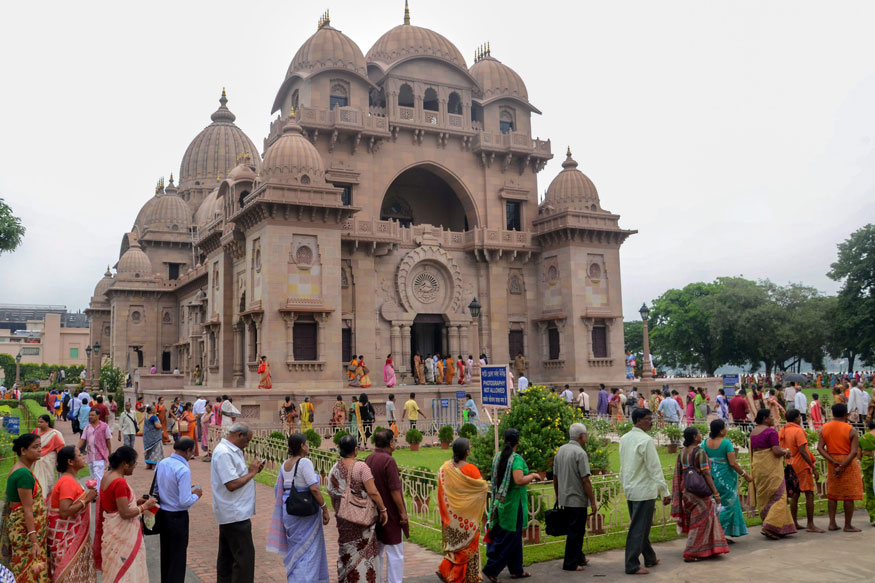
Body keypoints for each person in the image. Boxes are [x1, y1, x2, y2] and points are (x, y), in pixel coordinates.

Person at [267, 433, 330, 583]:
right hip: (304, 512)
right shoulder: (304, 462)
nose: (308, 446)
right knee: (308, 551)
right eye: (306, 443)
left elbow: (279, 489)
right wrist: (325, 508)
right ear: (302, 446)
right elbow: (314, 488)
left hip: (289, 509)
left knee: (295, 549)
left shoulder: (285, 464)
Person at [327, 435, 388, 583]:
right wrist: (383, 509)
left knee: (346, 553)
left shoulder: (334, 469)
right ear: (355, 450)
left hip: (344, 521)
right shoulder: (361, 467)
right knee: (364, 556)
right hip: (363, 524)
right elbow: (373, 491)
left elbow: (332, 493)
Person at [482, 429, 539, 582]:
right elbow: (519, 480)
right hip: (514, 506)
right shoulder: (516, 459)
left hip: (501, 503)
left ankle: (516, 569)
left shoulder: (498, 457)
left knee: (511, 537)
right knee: (510, 539)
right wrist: (533, 476)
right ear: (517, 442)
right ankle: (491, 569)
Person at [619, 408, 671, 575]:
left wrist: (625, 484)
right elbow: (654, 468)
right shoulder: (645, 440)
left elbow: (623, 466)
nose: (651, 422)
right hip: (643, 490)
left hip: (632, 489)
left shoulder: (624, 438)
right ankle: (631, 564)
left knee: (641, 527)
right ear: (639, 421)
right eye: (648, 419)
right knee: (639, 528)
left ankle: (650, 557)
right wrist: (665, 491)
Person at [211, 423, 264, 583]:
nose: (247, 444)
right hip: (234, 513)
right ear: (239, 435)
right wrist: (252, 473)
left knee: (228, 557)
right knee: (244, 559)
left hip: (233, 512)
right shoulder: (224, 453)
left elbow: (236, 477)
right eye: (247, 440)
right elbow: (232, 484)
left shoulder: (231, 451)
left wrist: (251, 472)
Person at [94, 446, 156, 581]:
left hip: (111, 527)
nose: (134, 467)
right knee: (126, 569)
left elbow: (115, 504)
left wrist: (137, 502)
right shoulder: (119, 482)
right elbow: (124, 513)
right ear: (124, 464)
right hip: (121, 534)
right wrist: (145, 506)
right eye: (133, 464)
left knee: (114, 570)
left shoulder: (107, 475)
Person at [670, 426, 729, 562]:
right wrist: (715, 492)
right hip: (698, 491)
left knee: (705, 519)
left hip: (686, 489)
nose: (700, 435)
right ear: (694, 437)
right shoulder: (700, 452)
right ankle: (692, 551)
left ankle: (709, 548)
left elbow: (679, 473)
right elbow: (706, 473)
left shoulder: (682, 452)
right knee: (700, 521)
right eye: (698, 434)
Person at [437, 438, 488, 583]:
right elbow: (482, 488)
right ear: (467, 452)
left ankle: (450, 572)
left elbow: (442, 493)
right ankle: (468, 577)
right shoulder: (471, 469)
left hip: (451, 519)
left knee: (456, 549)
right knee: (468, 549)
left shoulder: (444, 469)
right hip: (467, 520)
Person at [1, 433, 49, 583]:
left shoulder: (22, 469)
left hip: (24, 530)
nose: (40, 450)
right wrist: (34, 540)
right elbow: (27, 509)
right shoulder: (23, 474)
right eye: (35, 447)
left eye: (40, 446)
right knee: (28, 568)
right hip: (26, 532)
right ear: (23, 451)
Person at [47, 446, 98, 583]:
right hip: (66, 541)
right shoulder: (67, 482)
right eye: (79, 455)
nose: (82, 456)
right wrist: (86, 499)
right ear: (70, 462)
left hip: (72, 540)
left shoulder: (70, 479)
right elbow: (64, 512)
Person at [155, 438, 203, 583]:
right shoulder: (183, 469)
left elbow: (158, 488)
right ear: (188, 450)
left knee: (166, 554)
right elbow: (184, 501)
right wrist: (196, 495)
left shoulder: (162, 463)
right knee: (178, 558)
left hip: (163, 514)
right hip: (177, 517)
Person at [365, 430, 409, 583]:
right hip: (390, 512)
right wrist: (402, 512)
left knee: (378, 551)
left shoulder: (369, 459)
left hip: (374, 512)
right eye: (394, 441)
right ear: (391, 443)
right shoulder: (388, 461)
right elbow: (395, 490)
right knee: (395, 552)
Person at [553, 423, 595, 572]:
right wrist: (593, 502)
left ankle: (579, 557)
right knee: (575, 532)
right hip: (577, 499)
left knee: (575, 530)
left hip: (565, 498)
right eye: (586, 435)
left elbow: (555, 477)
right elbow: (586, 480)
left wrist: (558, 495)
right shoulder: (580, 453)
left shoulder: (561, 451)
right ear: (582, 436)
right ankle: (570, 563)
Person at [749, 408, 797, 539]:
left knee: (765, 497)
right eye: (771, 416)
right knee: (779, 496)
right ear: (765, 418)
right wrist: (786, 452)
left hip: (759, 467)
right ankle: (769, 526)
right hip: (771, 469)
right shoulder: (771, 431)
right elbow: (775, 451)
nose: (773, 419)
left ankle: (778, 526)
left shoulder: (753, 432)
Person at [817, 403, 863, 532]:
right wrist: (842, 466)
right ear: (846, 415)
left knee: (833, 494)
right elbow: (853, 452)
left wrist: (832, 460)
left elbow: (820, 448)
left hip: (833, 462)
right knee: (849, 494)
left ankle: (832, 523)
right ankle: (848, 525)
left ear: (832, 413)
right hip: (847, 463)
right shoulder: (850, 429)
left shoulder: (825, 427)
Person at [779, 409, 824, 532]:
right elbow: (803, 450)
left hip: (789, 465)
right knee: (809, 493)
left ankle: (794, 522)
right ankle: (810, 524)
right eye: (799, 417)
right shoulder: (798, 431)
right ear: (796, 419)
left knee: (795, 494)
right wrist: (813, 466)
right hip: (801, 466)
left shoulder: (783, 430)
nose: (801, 419)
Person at [31, 414, 65, 499]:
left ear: (47, 422)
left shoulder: (53, 434)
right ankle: (39, 498)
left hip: (48, 462)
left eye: (41, 422)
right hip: (36, 461)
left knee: (48, 483)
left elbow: (60, 448)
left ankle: (45, 500)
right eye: (38, 422)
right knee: (37, 481)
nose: (39, 423)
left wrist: (60, 463)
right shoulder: (35, 432)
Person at [77, 409, 112, 483]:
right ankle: (96, 493)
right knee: (93, 478)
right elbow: (82, 440)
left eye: (92, 415)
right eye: (89, 415)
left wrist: (110, 453)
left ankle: (99, 493)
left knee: (98, 477)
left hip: (100, 456)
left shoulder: (104, 427)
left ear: (98, 416)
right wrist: (76, 449)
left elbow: (108, 441)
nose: (90, 417)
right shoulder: (87, 428)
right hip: (90, 457)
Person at [858, 419, 875, 524]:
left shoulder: (863, 438)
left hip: (868, 464)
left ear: (868, 427)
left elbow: (859, 455)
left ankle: (874, 515)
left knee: (870, 489)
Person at [143, 405, 165, 469]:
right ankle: (154, 465)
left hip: (147, 437)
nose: (156, 409)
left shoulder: (146, 417)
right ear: (152, 411)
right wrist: (161, 426)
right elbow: (157, 426)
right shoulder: (154, 417)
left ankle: (148, 464)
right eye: (154, 409)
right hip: (155, 438)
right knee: (156, 451)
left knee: (149, 451)